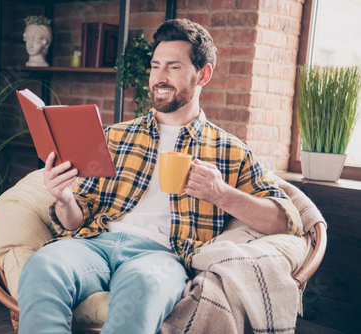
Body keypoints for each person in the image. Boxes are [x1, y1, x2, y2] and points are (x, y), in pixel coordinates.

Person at [17, 19, 303, 333]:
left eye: (174, 67)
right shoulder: (115, 137)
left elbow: (286, 221)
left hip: (160, 256)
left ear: (203, 74)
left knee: (144, 285)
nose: (160, 77)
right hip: (94, 244)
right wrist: (64, 198)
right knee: (42, 265)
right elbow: (74, 219)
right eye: (155, 66)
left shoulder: (230, 151)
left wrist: (222, 194)